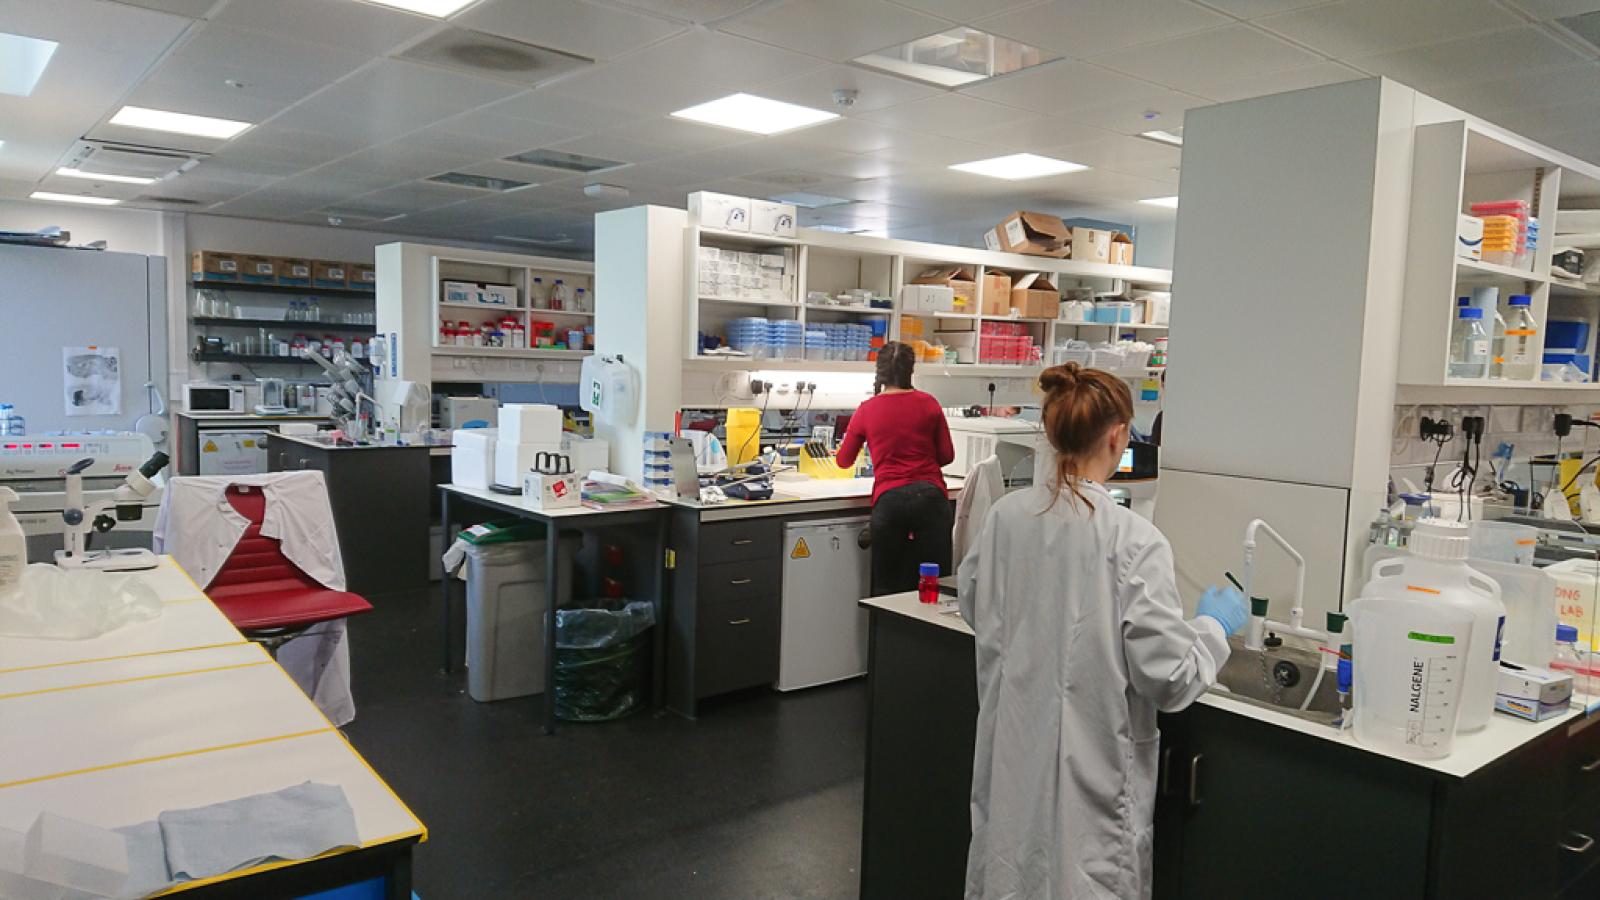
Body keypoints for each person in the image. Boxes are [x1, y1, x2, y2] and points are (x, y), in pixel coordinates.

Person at [958, 362, 1247, 900]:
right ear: (1117, 436)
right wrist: (1213, 626)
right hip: (1093, 786)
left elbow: (977, 605)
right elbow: (1169, 679)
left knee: (1010, 877)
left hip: (1013, 760)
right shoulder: (1134, 540)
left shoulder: (1006, 518)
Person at [836, 341, 956, 595]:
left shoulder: (867, 409)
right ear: (910, 371)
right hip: (931, 500)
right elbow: (947, 455)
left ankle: (889, 633)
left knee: (888, 588)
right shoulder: (929, 403)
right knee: (935, 585)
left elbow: (843, 460)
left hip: (890, 501)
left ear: (880, 373)